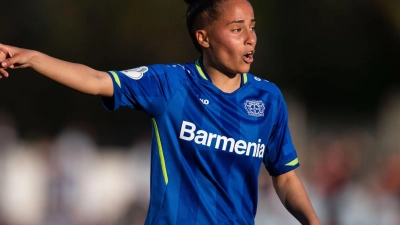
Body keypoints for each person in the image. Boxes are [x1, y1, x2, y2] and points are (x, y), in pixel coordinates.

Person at [0, 0, 320, 224]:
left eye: (252, 27)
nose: (251, 38)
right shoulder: (171, 84)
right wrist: (33, 59)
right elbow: (98, 80)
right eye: (237, 29)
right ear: (203, 37)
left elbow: (285, 176)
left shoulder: (268, 99)